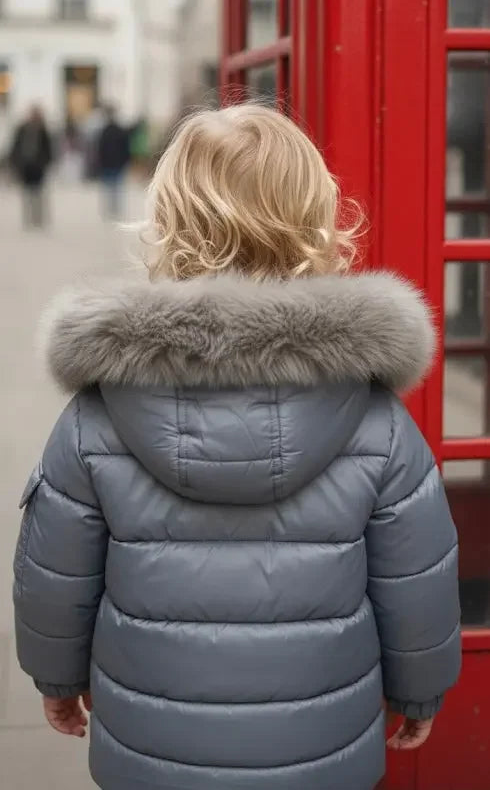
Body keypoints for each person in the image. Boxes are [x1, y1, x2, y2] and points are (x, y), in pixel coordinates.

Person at [13, 104, 461, 790]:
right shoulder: (378, 420)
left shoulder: (96, 416)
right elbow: (417, 582)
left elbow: (54, 577)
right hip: (322, 749)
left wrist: (57, 678)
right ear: (316, 220)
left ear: (168, 224)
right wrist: (420, 689)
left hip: (152, 750)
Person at [10, 106, 52, 228]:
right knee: (27, 194)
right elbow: (16, 147)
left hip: (38, 168)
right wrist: (16, 163)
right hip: (26, 167)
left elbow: (48, 150)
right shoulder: (22, 129)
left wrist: (45, 163)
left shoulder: (43, 130)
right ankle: (28, 220)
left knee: (38, 194)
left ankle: (38, 219)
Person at [96, 106, 130, 219]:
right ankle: (114, 209)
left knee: (109, 188)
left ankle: (110, 210)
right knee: (116, 189)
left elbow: (100, 149)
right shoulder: (119, 130)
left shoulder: (104, 131)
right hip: (117, 164)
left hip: (109, 164)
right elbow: (126, 148)